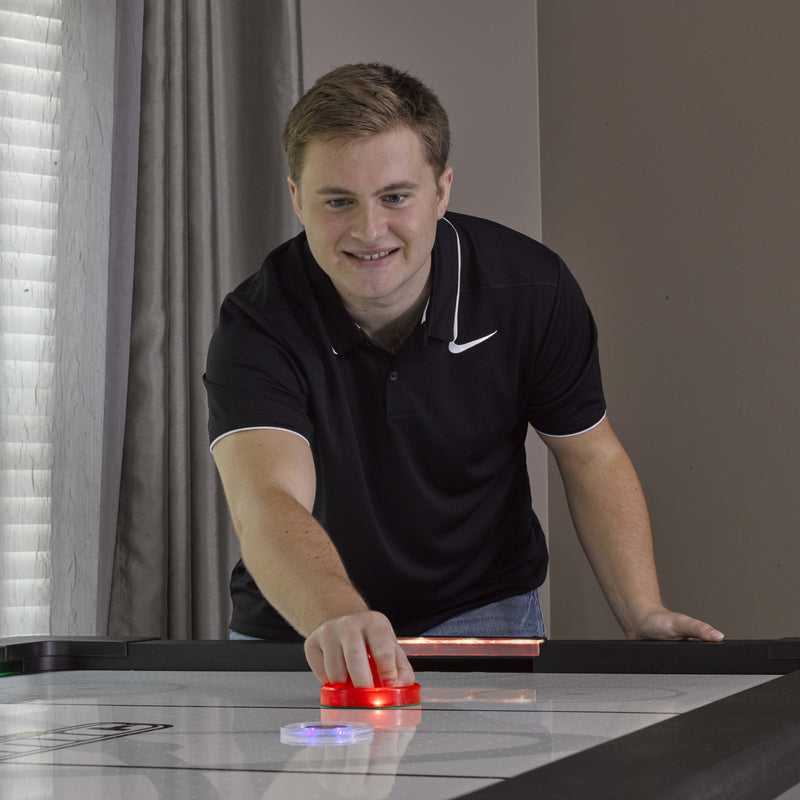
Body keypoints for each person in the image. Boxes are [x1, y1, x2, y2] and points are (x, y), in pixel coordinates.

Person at [204, 63, 723, 691]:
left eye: (396, 197)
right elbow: (268, 502)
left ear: (442, 191)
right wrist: (340, 617)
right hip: (306, 624)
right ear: (296, 197)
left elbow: (590, 456)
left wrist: (643, 614)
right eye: (338, 201)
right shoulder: (257, 323)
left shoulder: (531, 289)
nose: (370, 231)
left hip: (483, 611)